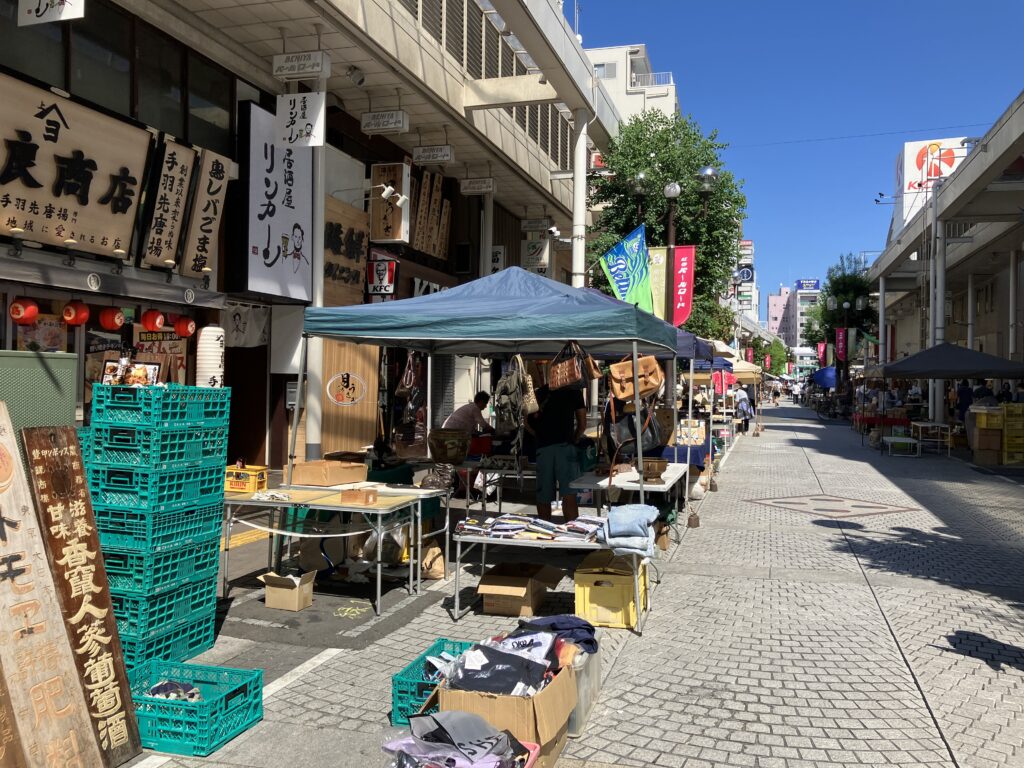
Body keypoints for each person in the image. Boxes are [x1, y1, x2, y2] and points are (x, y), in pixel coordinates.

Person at [527, 385, 586, 522]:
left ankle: (544, 533)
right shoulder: (574, 390)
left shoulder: (540, 391)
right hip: (566, 446)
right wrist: (574, 439)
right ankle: (572, 535)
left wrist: (540, 436)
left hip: (544, 448)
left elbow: (526, 422)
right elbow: (582, 424)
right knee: (569, 494)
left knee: (544, 495)